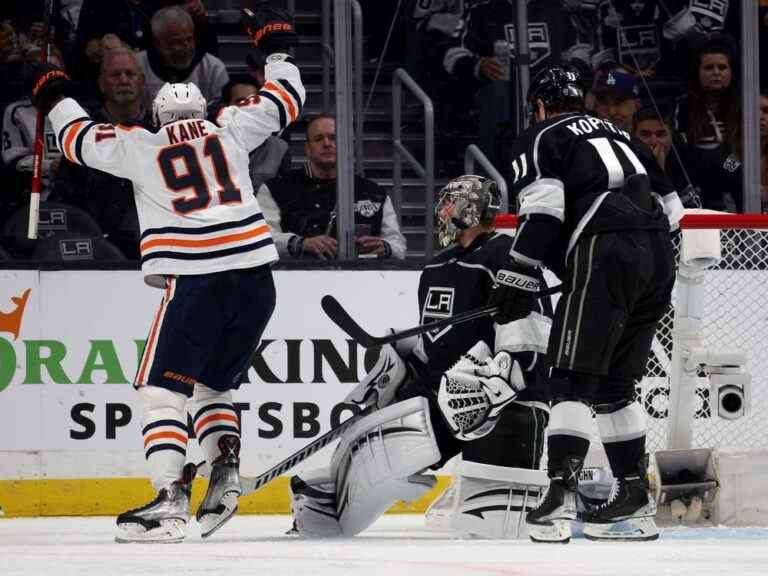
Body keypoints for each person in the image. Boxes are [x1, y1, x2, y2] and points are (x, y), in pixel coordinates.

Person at [26, 5, 304, 542]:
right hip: (256, 280)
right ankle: (223, 472)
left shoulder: (142, 145)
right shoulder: (232, 127)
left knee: (160, 393)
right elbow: (286, 98)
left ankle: (169, 498)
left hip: (197, 281)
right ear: (206, 107)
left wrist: (52, 91)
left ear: (158, 117)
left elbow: (78, 138)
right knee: (212, 387)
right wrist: (277, 45)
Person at [289, 175, 553, 539]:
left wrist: (499, 382)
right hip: (442, 397)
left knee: (494, 523)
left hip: (504, 406)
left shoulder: (507, 257)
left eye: (446, 205)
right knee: (367, 451)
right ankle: (326, 513)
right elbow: (435, 342)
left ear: (467, 211)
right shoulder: (436, 269)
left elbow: (530, 345)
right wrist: (398, 368)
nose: (440, 214)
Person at [488, 65, 682, 543]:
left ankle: (561, 500)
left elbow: (545, 211)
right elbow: (674, 209)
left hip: (605, 247)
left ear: (538, 106)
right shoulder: (622, 134)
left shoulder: (539, 136)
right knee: (617, 386)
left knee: (569, 380)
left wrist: (517, 273)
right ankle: (633, 498)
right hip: (659, 255)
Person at [258, 114, 407, 260]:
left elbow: (398, 245)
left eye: (334, 138)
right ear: (307, 148)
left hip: (362, 280)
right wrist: (300, 244)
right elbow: (261, 239)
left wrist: (386, 248)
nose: (327, 143)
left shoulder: (375, 193)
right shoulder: (275, 189)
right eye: (318, 139)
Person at [53, 47, 149, 258]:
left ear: (141, 82)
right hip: (93, 252)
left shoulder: (161, 133)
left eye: (130, 74)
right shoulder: (82, 136)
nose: (124, 80)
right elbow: (67, 207)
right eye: (115, 75)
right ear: (101, 84)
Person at [672, 34, 742, 212]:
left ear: (731, 72)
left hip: (737, 186)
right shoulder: (682, 105)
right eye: (709, 67)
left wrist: (725, 169)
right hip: (695, 190)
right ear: (698, 72)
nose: (716, 73)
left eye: (722, 67)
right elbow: (680, 152)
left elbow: (746, 150)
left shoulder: (745, 105)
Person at [2, 46, 66, 205]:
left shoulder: (79, 110)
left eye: (52, 70)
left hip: (73, 195)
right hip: (33, 197)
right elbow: (13, 160)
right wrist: (50, 167)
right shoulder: (17, 111)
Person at [137, 4, 228, 110]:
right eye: (177, 42)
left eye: (189, 39)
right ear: (157, 44)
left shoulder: (213, 68)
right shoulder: (136, 67)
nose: (186, 47)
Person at [217, 73, 291, 191]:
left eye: (253, 102)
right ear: (224, 108)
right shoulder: (208, 146)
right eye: (241, 102)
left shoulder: (280, 149)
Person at [590, 67, 641, 133]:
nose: (611, 111)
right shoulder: (584, 141)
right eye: (604, 102)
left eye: (618, 103)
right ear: (595, 107)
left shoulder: (651, 141)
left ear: (637, 105)